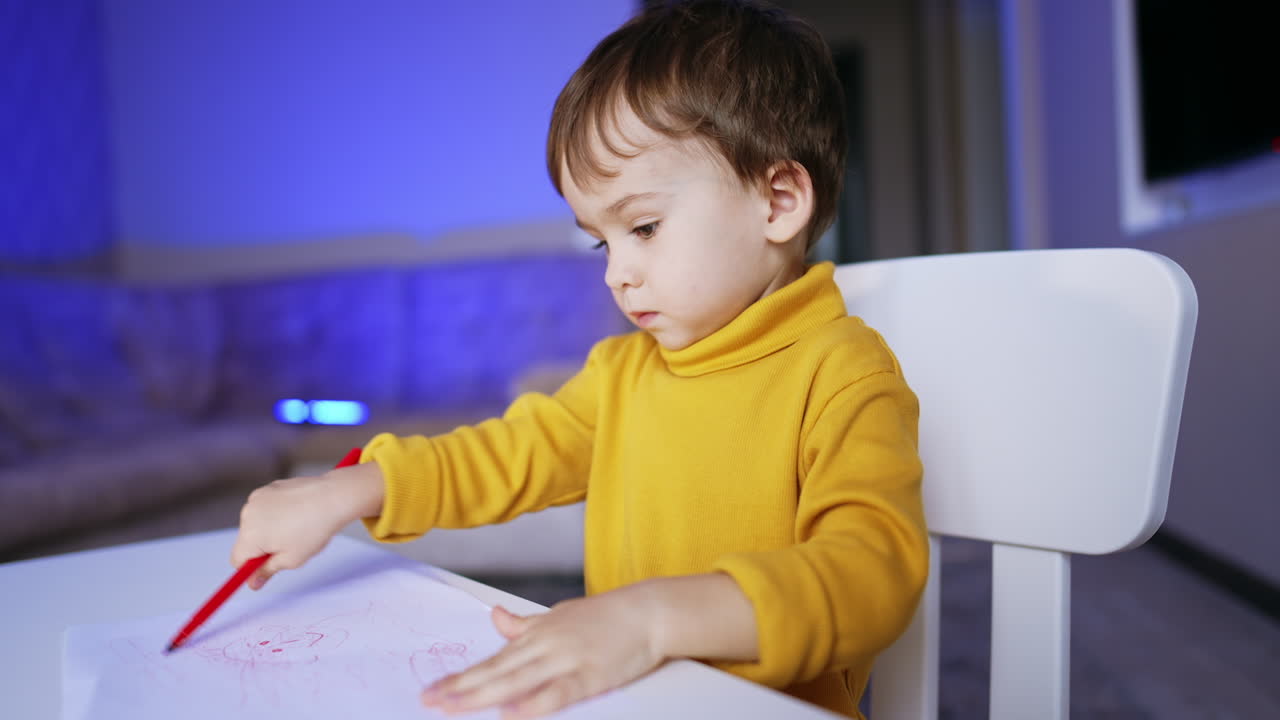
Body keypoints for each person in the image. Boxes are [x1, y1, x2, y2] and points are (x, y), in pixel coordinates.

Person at [232, 1, 928, 717]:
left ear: (778, 200)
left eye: (644, 227)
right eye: (602, 242)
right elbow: (506, 454)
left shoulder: (843, 374)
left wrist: (652, 619)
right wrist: (353, 489)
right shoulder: (621, 376)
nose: (616, 273)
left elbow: (872, 578)